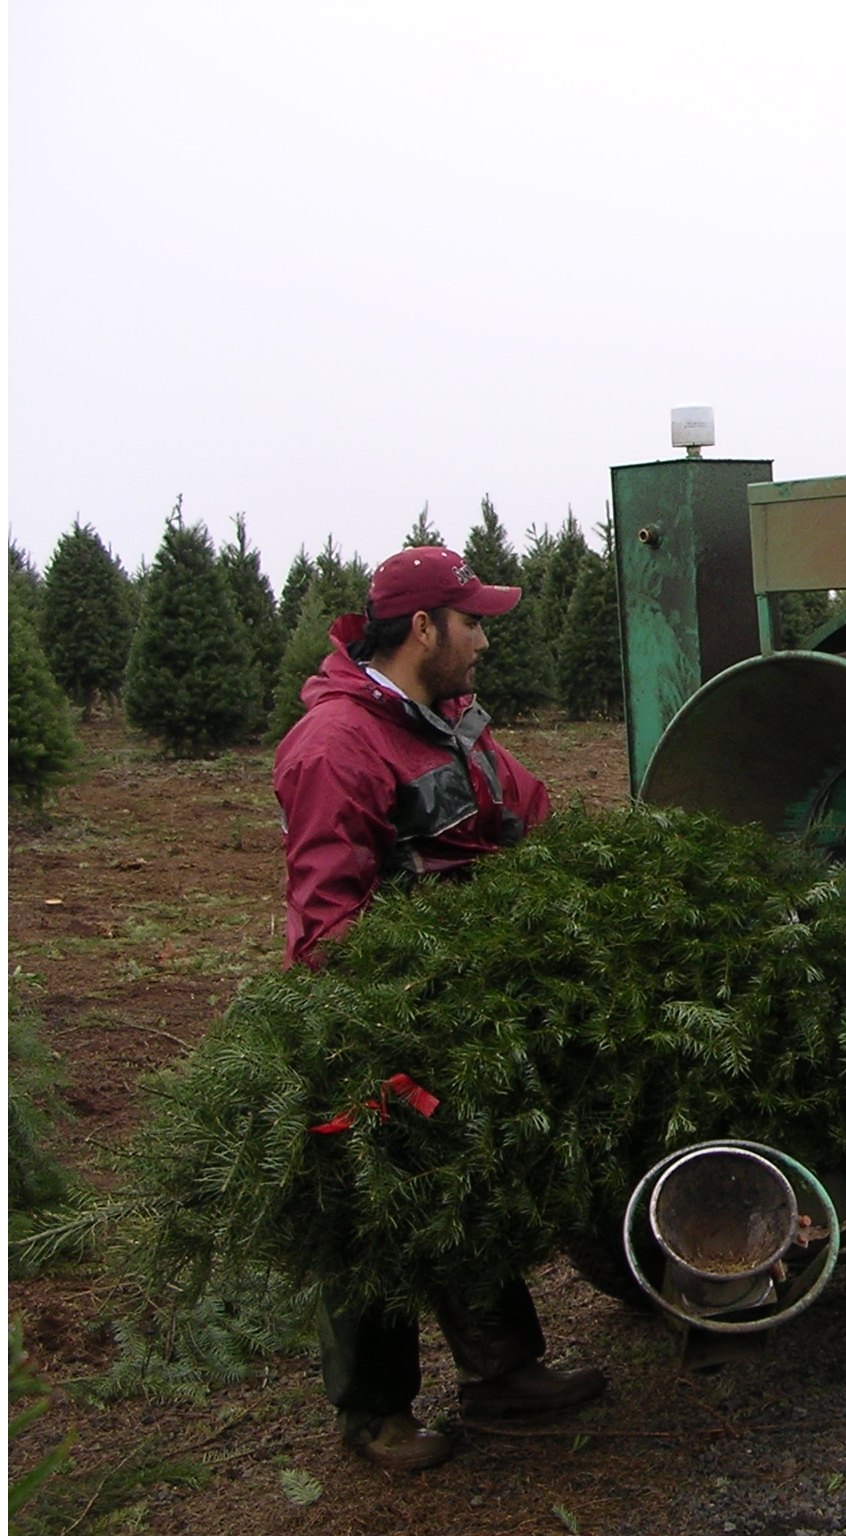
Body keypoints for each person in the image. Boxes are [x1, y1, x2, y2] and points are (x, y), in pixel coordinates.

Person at [273, 546, 606, 1472]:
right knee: (374, 1196)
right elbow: (327, 923)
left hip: (468, 1000)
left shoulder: (451, 723)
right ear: (423, 628)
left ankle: (503, 1370)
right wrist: (394, 1016)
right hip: (381, 1013)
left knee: (468, 1174)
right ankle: (373, 1414)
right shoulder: (339, 745)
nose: (485, 640)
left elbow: (526, 812)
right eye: (473, 622)